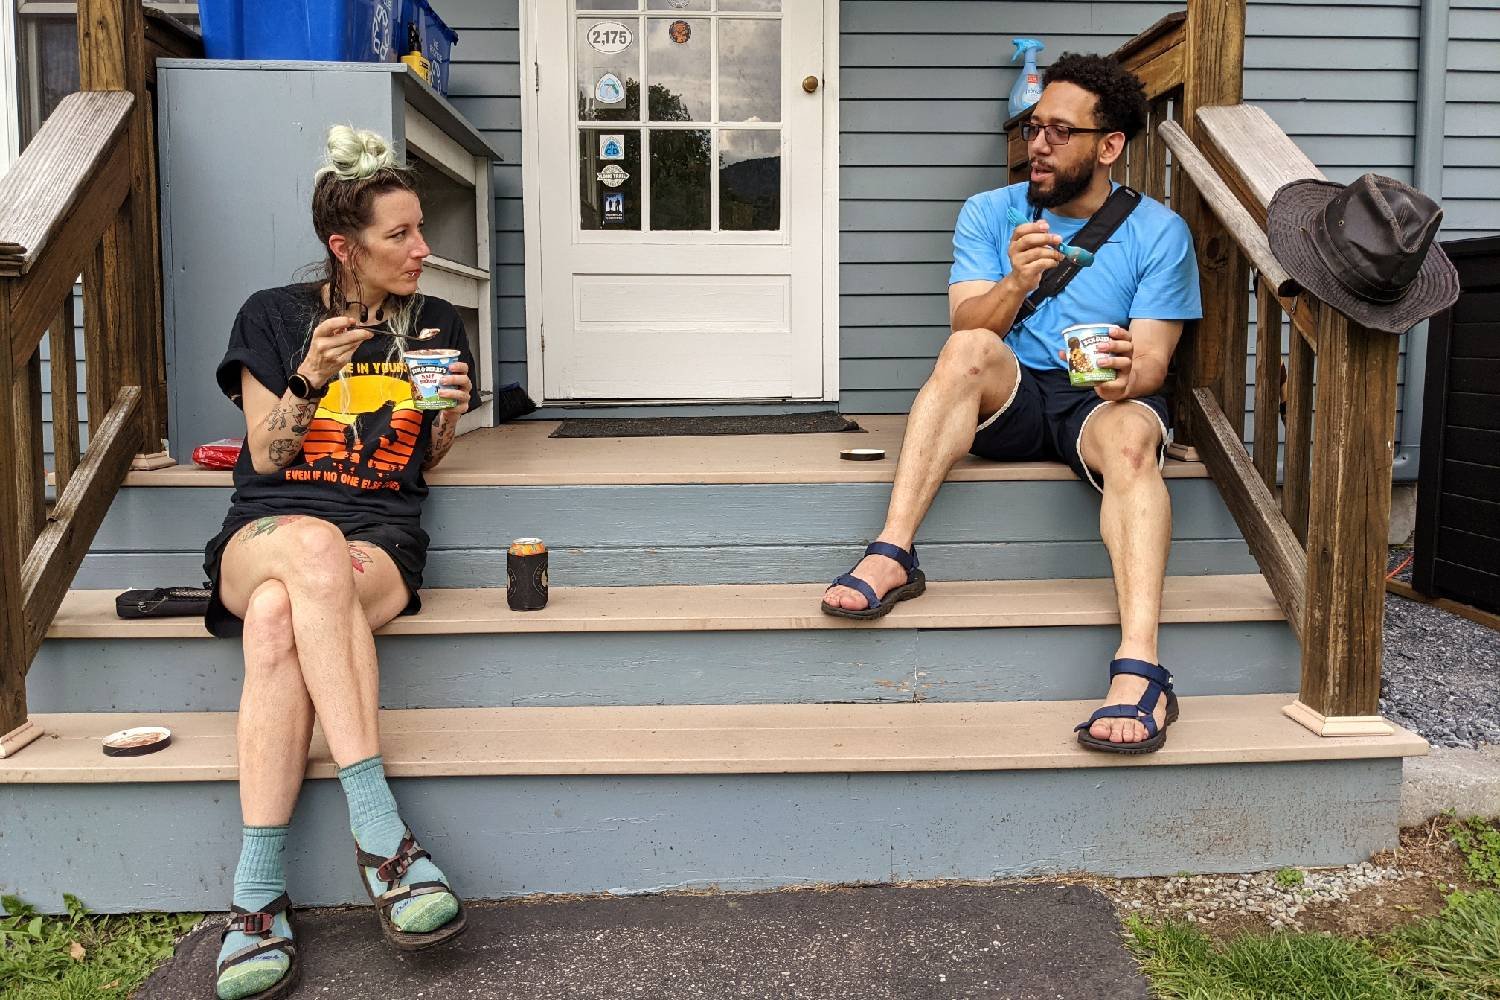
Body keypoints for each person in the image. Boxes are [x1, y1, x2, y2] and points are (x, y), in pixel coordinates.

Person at [820, 54, 1202, 755]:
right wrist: (1018, 280)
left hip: (1097, 400)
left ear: (1109, 145)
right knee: (966, 352)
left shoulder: (1159, 233)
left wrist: (1121, 376)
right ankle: (894, 551)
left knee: (1130, 442)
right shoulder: (989, 213)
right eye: (1034, 127)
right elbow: (969, 328)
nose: (1039, 144)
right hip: (1014, 393)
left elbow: (1150, 363)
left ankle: (1140, 668)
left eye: (1061, 130)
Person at [202, 126, 476, 1000]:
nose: (422, 250)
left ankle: (253, 899)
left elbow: (417, 467)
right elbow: (269, 460)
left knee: (284, 615)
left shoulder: (436, 323)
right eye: (400, 235)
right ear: (343, 246)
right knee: (307, 549)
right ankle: (385, 843)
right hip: (265, 532)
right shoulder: (273, 317)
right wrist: (310, 379)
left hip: (380, 540)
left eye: (421, 230)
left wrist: (444, 419)